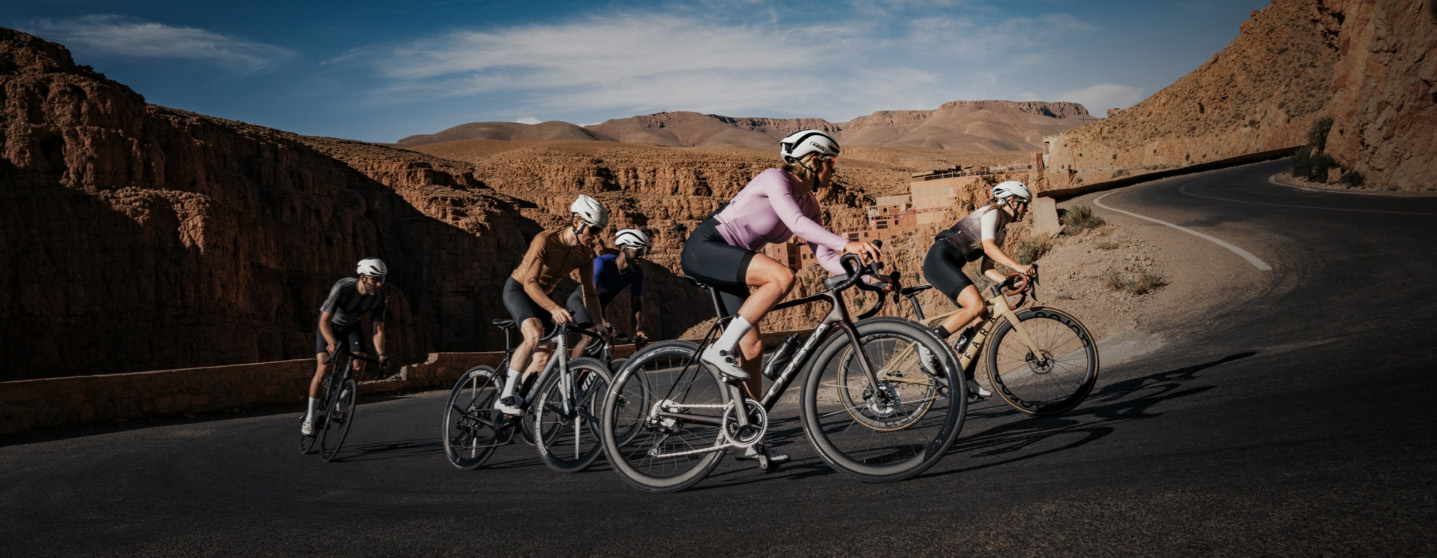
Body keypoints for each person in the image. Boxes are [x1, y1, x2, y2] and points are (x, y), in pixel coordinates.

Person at [680, 129, 882, 462]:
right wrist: (848, 243)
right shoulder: (775, 179)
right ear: (814, 161)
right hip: (708, 248)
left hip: (733, 262)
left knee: (754, 346)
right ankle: (720, 348)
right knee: (782, 276)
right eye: (832, 163)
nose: (834, 170)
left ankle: (746, 435)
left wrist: (871, 277)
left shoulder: (810, 201)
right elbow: (796, 223)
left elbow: (826, 258)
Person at [922, 180, 1036, 398]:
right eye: (1024, 204)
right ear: (1012, 201)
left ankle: (965, 376)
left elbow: (987, 267)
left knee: (982, 314)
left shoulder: (1001, 229)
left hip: (951, 264)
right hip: (939, 259)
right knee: (976, 305)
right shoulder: (992, 213)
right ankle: (928, 344)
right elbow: (989, 248)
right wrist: (1019, 266)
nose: (1026, 209)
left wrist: (1007, 280)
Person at [497, 194, 610, 415]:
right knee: (534, 332)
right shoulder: (545, 240)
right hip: (519, 289)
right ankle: (505, 396)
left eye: (599, 231)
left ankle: (518, 398)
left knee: (545, 353)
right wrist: (554, 308)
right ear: (577, 222)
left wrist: (598, 323)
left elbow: (589, 293)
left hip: (542, 296)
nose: (596, 237)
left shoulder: (585, 255)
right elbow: (530, 283)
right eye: (593, 230)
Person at [303, 258, 390, 436]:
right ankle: (309, 418)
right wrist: (331, 342)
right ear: (362, 278)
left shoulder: (380, 296)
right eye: (375, 279)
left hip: (352, 326)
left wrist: (381, 354)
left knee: (359, 365)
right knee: (323, 367)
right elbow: (324, 321)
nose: (379, 284)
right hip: (329, 326)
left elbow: (378, 329)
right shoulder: (343, 287)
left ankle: (341, 400)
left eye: (382, 279)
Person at [565, 228, 651, 359]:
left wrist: (639, 330)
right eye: (638, 251)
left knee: (604, 339)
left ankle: (588, 373)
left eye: (644, 251)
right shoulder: (602, 263)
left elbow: (636, 304)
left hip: (598, 306)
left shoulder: (637, 273)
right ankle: (571, 373)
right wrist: (603, 322)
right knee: (590, 335)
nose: (641, 255)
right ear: (624, 249)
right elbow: (588, 295)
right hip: (581, 301)